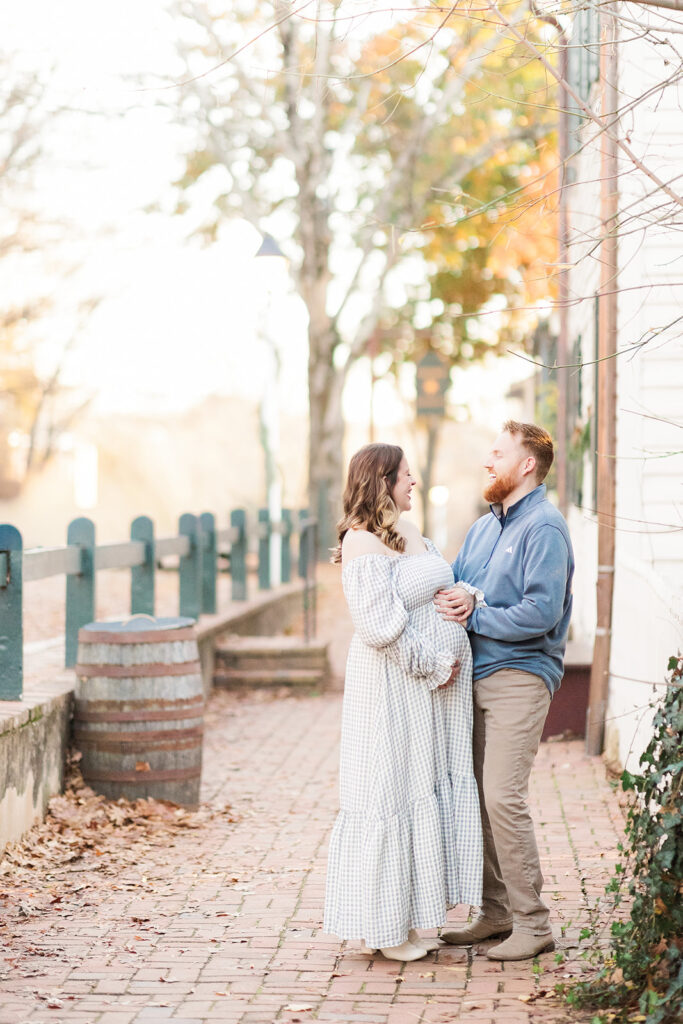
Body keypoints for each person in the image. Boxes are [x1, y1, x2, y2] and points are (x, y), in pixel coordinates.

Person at [323, 443, 482, 962]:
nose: (414, 483)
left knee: (418, 788)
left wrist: (470, 598)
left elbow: (445, 582)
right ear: (383, 481)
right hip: (392, 688)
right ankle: (385, 931)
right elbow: (378, 627)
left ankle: (406, 919)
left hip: (426, 698)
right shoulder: (362, 543)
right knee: (389, 791)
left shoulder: (409, 532)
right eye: (407, 476)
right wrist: (433, 664)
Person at [434, 420, 574, 962]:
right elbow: (456, 582)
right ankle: (494, 913)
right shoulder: (482, 528)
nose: (487, 462)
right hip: (474, 674)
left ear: (527, 465)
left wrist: (477, 612)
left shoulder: (546, 527)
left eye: (498, 453)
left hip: (520, 675)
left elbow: (541, 613)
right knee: (477, 797)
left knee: (502, 796)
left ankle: (532, 923)